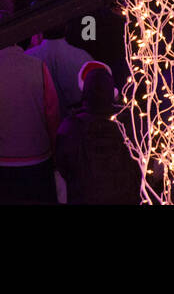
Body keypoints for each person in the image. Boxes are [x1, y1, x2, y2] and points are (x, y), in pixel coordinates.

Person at [0, 11, 62, 202]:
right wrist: (54, 150)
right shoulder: (38, 66)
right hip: (39, 156)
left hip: (0, 160)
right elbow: (52, 114)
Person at [54, 63, 139, 205]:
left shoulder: (71, 126)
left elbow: (62, 165)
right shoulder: (128, 124)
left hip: (83, 197)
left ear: (84, 91)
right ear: (112, 92)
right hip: (123, 197)